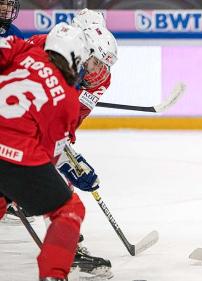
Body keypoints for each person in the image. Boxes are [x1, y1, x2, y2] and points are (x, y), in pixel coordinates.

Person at [26, 8, 118, 278]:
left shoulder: (95, 79)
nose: (100, 74)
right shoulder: (41, 51)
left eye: (104, 66)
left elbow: (65, 125)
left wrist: (68, 156)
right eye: (97, 64)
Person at [0, 23, 90, 281]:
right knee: (69, 209)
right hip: (16, 154)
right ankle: (53, 276)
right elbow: (48, 156)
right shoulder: (68, 100)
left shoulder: (20, 49)